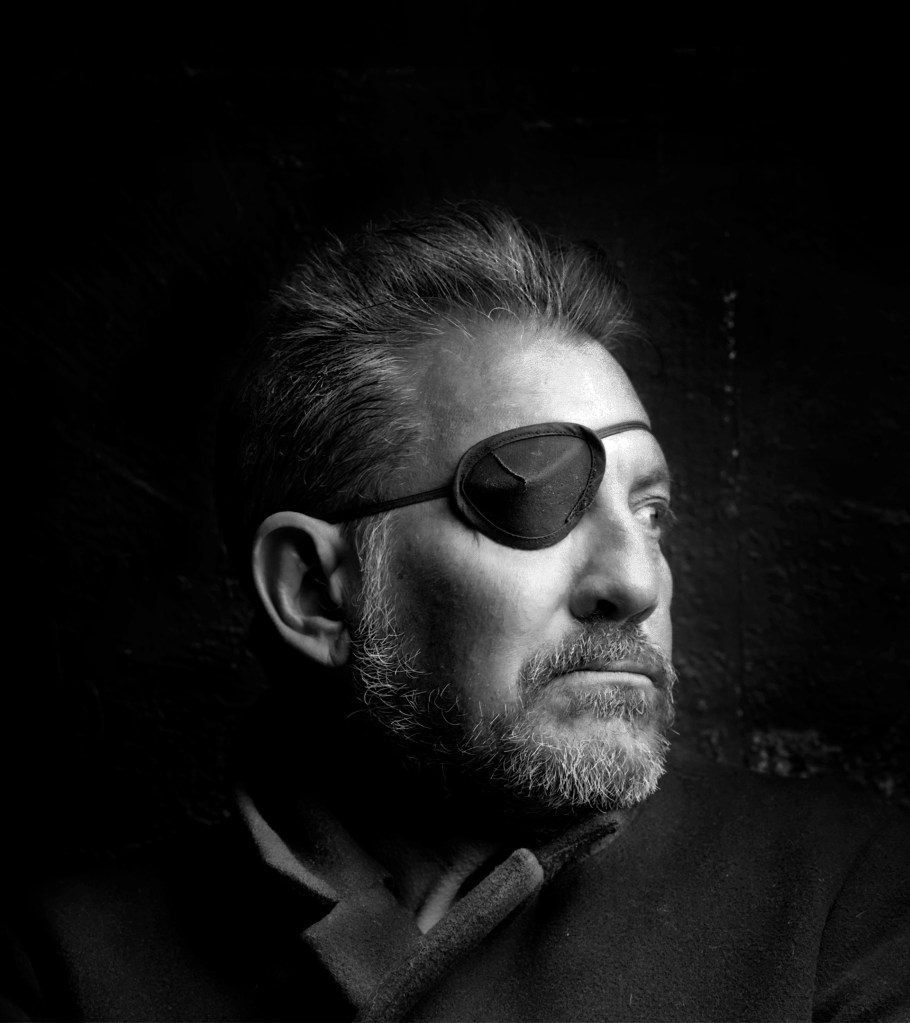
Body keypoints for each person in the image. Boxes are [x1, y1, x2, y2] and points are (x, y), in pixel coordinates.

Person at [2, 204, 907, 1022]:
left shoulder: (846, 896)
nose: (637, 582)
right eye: (530, 497)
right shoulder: (62, 972)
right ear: (314, 590)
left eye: (651, 512)